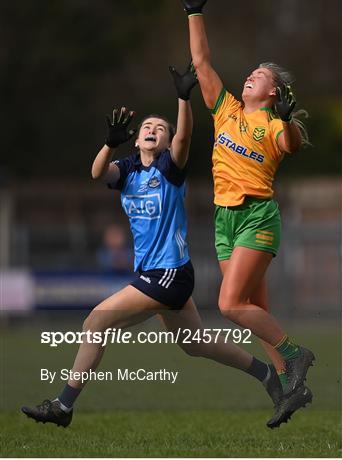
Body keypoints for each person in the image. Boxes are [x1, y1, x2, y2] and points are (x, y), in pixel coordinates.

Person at [22, 64, 304, 430]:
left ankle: (64, 404)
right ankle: (269, 376)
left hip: (169, 273)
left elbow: (184, 138)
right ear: (136, 140)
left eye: (161, 129)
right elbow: (96, 174)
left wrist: (182, 99)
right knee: (196, 344)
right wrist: (109, 143)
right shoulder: (127, 171)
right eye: (146, 129)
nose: (153, 131)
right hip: (153, 273)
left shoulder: (170, 169)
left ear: (168, 142)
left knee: (96, 320)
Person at [176, 0, 314, 428]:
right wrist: (194, 11)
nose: (252, 75)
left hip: (257, 216)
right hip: (224, 219)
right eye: (253, 71)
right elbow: (201, 63)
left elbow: (289, 145)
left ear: (274, 93)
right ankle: (291, 389)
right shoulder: (227, 110)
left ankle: (297, 356)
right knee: (256, 310)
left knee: (230, 304)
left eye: (261, 75)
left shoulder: (272, 124)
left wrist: (289, 121)